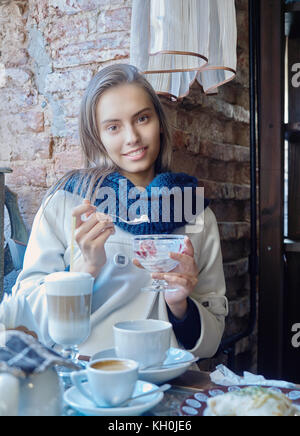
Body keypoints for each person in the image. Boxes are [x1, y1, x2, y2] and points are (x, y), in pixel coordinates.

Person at [12, 64, 228, 358]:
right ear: (96, 136)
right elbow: (24, 319)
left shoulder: (195, 212)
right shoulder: (69, 202)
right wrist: (82, 270)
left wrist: (180, 307)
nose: (132, 138)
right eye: (113, 127)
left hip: (167, 380)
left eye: (142, 118)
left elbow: (211, 341)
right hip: (86, 378)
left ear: (160, 123)